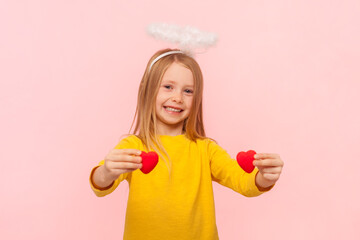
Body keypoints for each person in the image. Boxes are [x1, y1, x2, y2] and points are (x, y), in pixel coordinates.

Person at [89, 48, 284, 240]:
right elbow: (100, 184)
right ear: (147, 89)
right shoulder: (133, 146)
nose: (177, 98)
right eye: (168, 87)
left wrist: (265, 178)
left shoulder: (205, 149)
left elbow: (242, 181)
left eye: (188, 91)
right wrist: (107, 171)